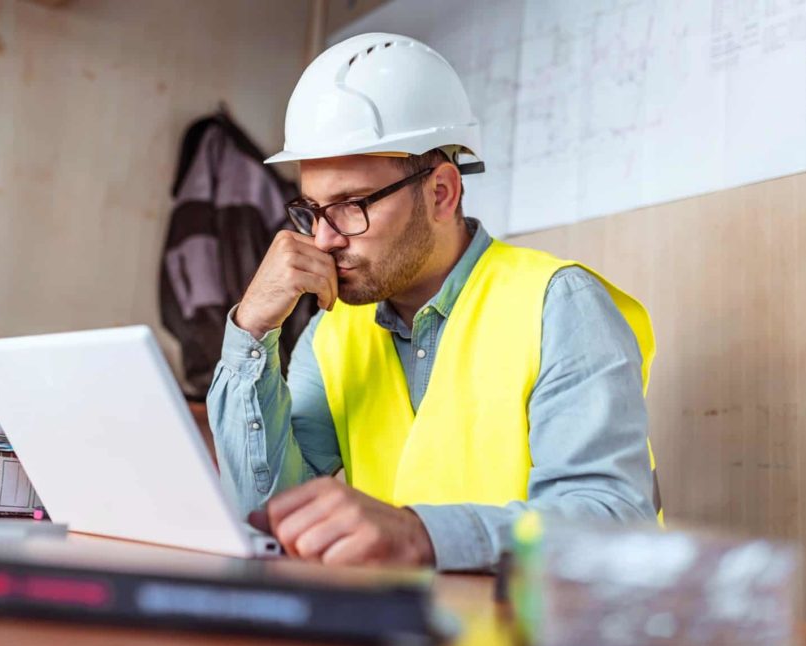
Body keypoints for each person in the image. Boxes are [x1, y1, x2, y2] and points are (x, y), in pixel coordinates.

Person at [207, 33, 660, 571]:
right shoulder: (332, 334)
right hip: (411, 636)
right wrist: (251, 330)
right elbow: (267, 515)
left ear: (441, 193)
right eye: (311, 209)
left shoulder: (557, 304)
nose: (323, 239)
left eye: (351, 206)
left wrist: (422, 536)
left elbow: (611, 517)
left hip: (549, 642)